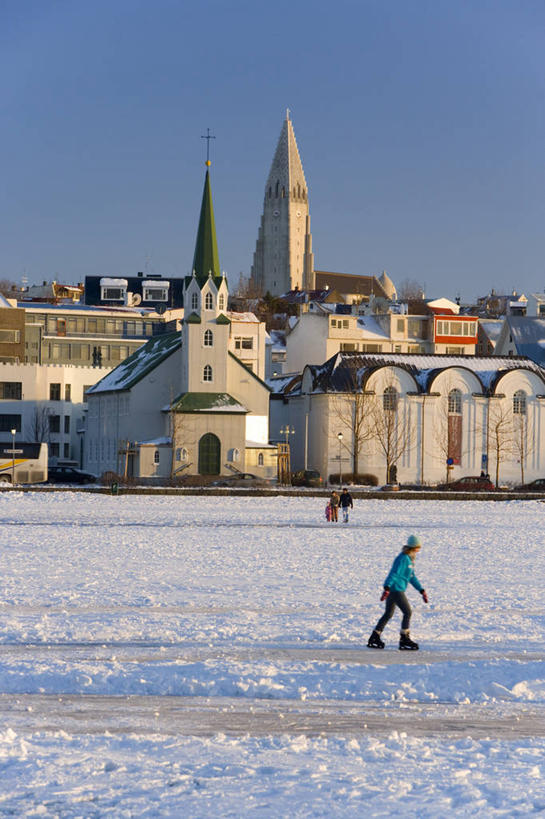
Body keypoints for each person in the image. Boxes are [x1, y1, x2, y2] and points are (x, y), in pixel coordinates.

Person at [367, 534, 428, 651]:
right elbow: (394, 573)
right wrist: (387, 587)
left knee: (388, 614)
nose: (419, 549)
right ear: (414, 547)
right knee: (407, 612)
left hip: (395, 589)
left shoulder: (410, 559)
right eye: (418, 547)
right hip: (396, 589)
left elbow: (411, 576)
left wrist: (421, 590)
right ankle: (404, 638)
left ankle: (375, 636)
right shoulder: (403, 558)